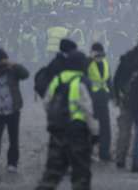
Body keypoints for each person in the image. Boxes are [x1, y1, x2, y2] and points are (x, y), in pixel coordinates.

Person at [35, 50, 97, 190]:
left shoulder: (58, 79)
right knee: (81, 173)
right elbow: (87, 109)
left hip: (58, 130)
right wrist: (95, 131)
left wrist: (53, 119)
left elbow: (47, 102)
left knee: (52, 171)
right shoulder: (81, 81)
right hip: (78, 131)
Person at [0, 48, 30, 174]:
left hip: (13, 111)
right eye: (1, 60)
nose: (3, 62)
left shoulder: (13, 71)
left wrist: (14, 64)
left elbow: (26, 74)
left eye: (5, 59)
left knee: (13, 138)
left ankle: (12, 163)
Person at [113, 37, 138, 169]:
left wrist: (117, 97)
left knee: (124, 131)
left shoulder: (126, 59)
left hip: (126, 100)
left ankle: (120, 158)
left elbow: (116, 79)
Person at [87, 42, 112, 162]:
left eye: (101, 54)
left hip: (103, 98)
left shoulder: (105, 62)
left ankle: (104, 153)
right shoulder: (87, 63)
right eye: (97, 54)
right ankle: (88, 152)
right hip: (91, 99)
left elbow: (109, 80)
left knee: (105, 127)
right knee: (90, 127)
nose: (99, 56)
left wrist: (113, 95)